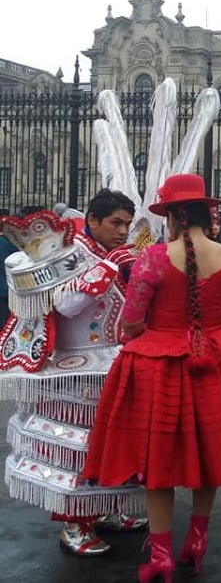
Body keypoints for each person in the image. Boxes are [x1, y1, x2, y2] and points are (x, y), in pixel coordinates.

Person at [81, 173, 221, 581]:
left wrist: (154, 330)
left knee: (158, 462)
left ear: (171, 217)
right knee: (210, 455)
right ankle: (197, 540)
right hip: (216, 363)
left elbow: (131, 321)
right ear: (206, 214)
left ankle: (162, 554)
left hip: (159, 367)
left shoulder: (150, 259)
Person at [0, 190, 148, 556]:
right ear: (93, 220)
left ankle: (105, 511)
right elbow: (65, 306)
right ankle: (73, 524)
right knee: (76, 449)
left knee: (111, 445)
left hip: (109, 362)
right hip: (73, 370)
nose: (123, 230)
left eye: (127, 224)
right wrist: (111, 265)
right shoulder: (68, 253)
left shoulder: (104, 253)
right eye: (116, 222)